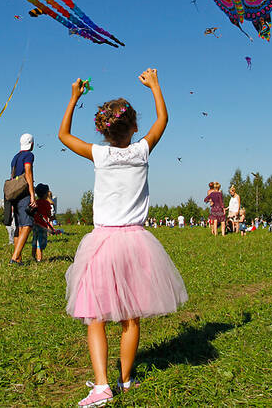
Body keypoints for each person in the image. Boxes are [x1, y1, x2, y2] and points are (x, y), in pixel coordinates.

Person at [59, 68, 187, 407]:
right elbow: (163, 119)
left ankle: (102, 386)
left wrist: (74, 97)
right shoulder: (143, 151)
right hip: (136, 242)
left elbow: (63, 135)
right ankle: (126, 380)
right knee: (131, 316)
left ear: (103, 130)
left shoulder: (99, 154)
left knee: (95, 315)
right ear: (133, 127)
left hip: (103, 243)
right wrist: (156, 85)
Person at [8, 133, 36, 264]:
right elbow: (28, 171)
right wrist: (32, 194)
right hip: (23, 192)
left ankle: (18, 258)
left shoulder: (15, 157)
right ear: (31, 144)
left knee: (19, 226)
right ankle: (15, 257)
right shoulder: (28, 155)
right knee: (28, 224)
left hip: (14, 192)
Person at [31, 183, 53, 262]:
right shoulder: (47, 203)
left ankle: (33, 256)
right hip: (42, 226)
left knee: (35, 240)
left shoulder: (35, 202)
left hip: (35, 224)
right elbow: (49, 214)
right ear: (45, 194)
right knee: (40, 243)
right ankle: (39, 259)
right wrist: (51, 217)